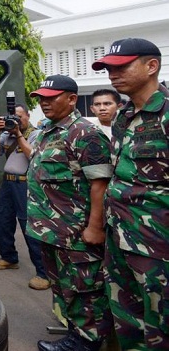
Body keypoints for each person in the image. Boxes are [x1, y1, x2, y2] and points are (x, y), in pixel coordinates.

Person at [92, 38, 169, 350]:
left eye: (121, 66)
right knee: (128, 324)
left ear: (151, 66)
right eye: (109, 68)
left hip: (158, 248)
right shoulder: (123, 117)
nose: (112, 74)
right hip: (120, 238)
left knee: (160, 329)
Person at [26, 75, 113, 351]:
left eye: (51, 97)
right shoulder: (47, 132)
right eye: (41, 97)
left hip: (75, 232)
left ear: (72, 99)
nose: (44, 102)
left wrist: (95, 227)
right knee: (64, 287)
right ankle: (75, 334)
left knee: (84, 289)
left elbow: (99, 184)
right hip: (50, 231)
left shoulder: (85, 134)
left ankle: (87, 342)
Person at [0, 103, 49, 290]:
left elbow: (33, 155)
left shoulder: (36, 134)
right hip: (7, 183)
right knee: (2, 219)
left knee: (28, 225)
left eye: (19, 117)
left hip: (25, 184)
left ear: (28, 116)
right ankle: (8, 257)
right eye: (12, 118)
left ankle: (43, 272)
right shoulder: (6, 134)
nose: (15, 121)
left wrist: (18, 134)